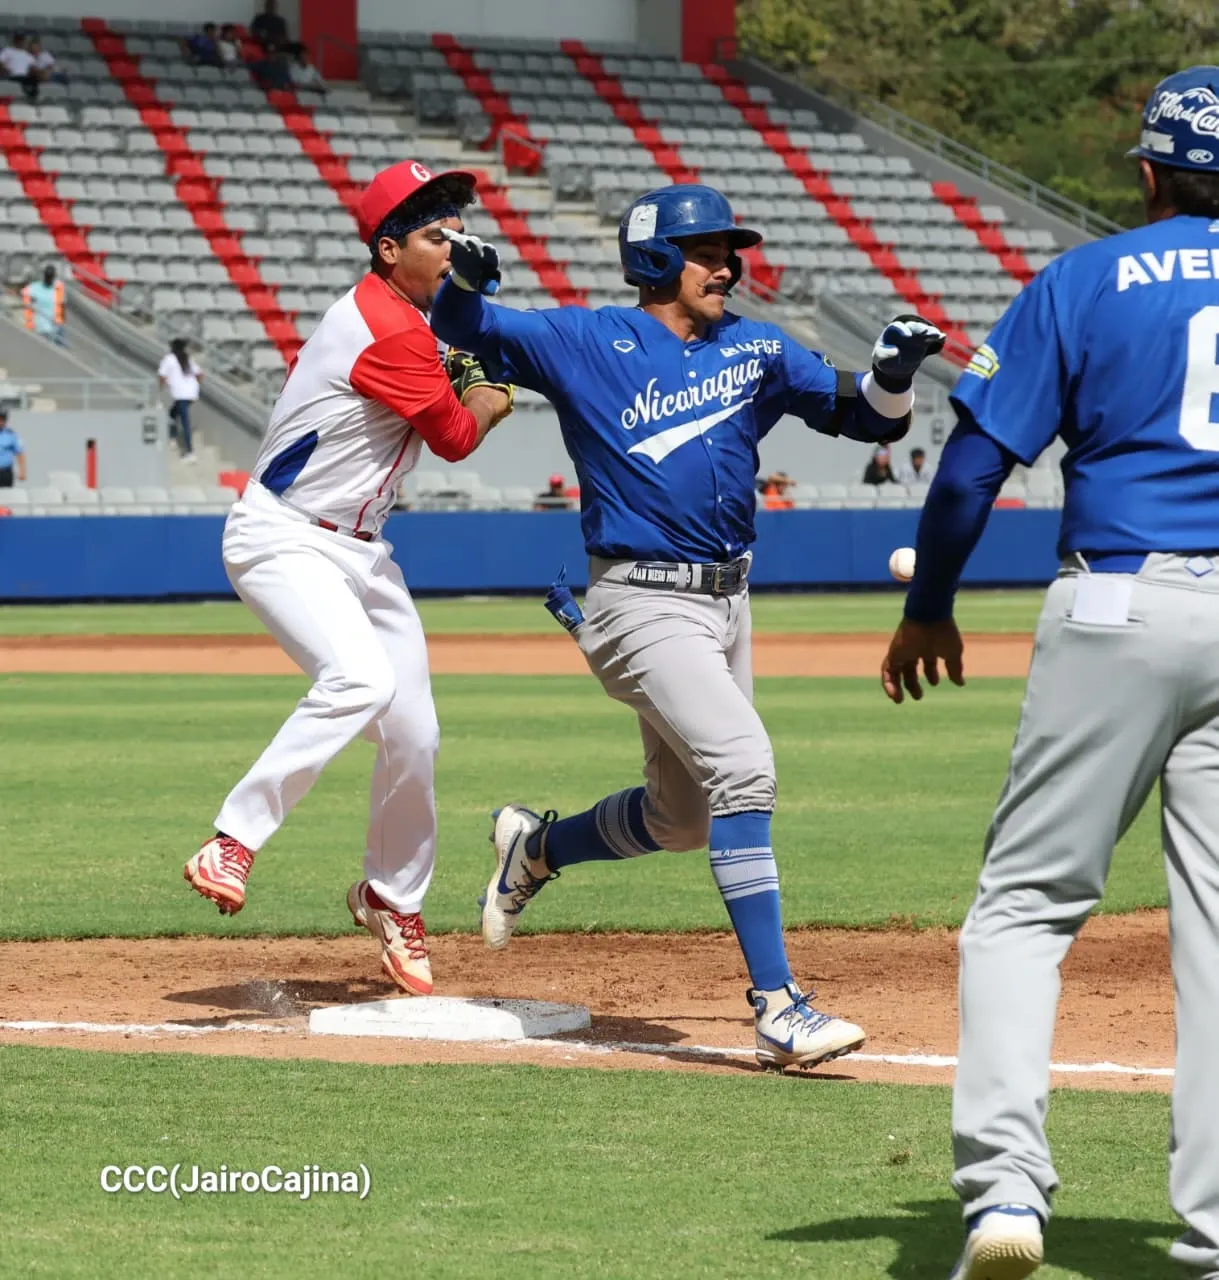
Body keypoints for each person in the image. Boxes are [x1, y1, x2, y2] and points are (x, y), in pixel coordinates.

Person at [432, 183, 945, 1070]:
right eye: (705, 250)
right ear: (655, 260)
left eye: (727, 249)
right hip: (638, 602)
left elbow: (858, 416)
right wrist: (463, 289)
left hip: (726, 601)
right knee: (744, 767)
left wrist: (892, 376)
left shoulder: (754, 346)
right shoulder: (587, 339)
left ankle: (537, 847)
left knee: (682, 821)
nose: (726, 265)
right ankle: (779, 1006)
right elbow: (472, 331)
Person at [880, 65, 1219, 1280]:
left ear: (1144, 171)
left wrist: (928, 607)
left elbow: (971, 471)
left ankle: (1006, 1194)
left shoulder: (1082, 278)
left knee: (1024, 908)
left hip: (1120, 595)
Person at [184, 161, 515, 999]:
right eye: (436, 235)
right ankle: (234, 838)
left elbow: (460, 352)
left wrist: (474, 341)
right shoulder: (382, 323)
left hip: (361, 551)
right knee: (361, 678)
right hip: (283, 536)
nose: (454, 244)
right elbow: (456, 436)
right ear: (388, 245)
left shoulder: (412, 313)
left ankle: (390, 897)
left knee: (415, 735)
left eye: (456, 228)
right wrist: (489, 389)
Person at [157, 338, 202, 462]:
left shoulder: (169, 359)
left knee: (184, 421)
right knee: (172, 413)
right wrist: (195, 386)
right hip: (191, 393)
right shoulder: (188, 359)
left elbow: (161, 376)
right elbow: (200, 375)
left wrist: (161, 389)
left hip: (181, 394)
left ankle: (189, 451)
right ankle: (172, 437)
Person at [22, 265, 65, 346]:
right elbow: (25, 295)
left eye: (50, 276)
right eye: (47, 276)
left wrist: (61, 322)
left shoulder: (58, 287)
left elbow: (62, 305)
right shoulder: (35, 288)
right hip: (42, 327)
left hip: (56, 327)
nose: (49, 278)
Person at [1, 32, 38, 101]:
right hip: (12, 76)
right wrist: (6, 69)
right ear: (15, 41)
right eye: (18, 40)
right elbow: (1, 62)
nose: (20, 42)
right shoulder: (7, 51)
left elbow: (33, 67)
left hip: (24, 77)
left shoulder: (27, 54)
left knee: (34, 82)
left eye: (21, 40)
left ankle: (31, 101)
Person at [0, 408, 25, 488]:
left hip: (5, 472)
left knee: (5, 497)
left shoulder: (11, 435)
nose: (1, 422)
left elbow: (20, 454)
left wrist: (22, 471)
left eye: (2, 420)